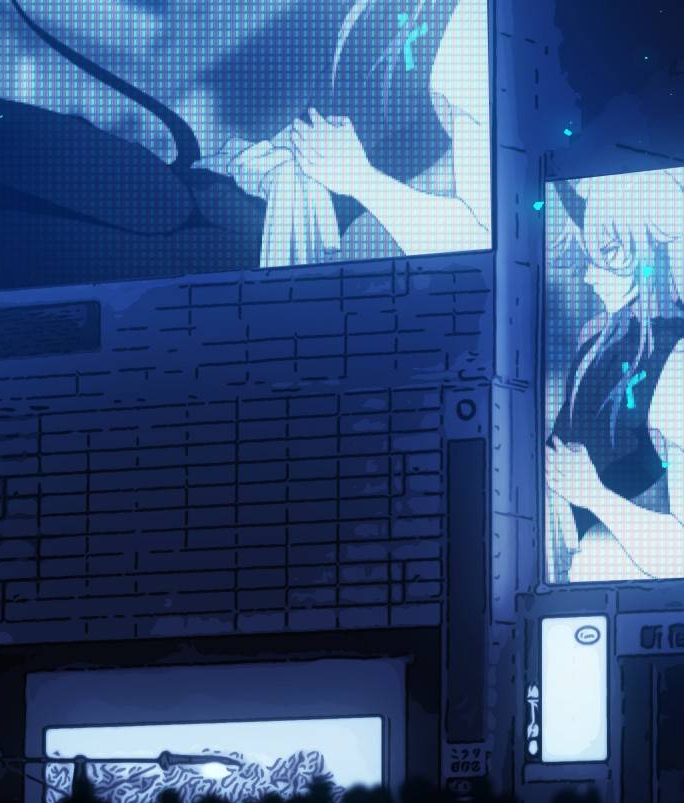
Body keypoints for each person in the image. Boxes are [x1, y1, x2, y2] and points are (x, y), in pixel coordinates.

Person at [199, 0, 491, 267]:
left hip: (387, 258)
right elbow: (322, 119)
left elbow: (479, 238)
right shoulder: (363, 13)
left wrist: (361, 180)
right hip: (312, 212)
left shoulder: (471, 29)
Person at [545, 168, 684, 582]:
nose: (589, 274)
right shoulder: (599, 341)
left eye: (606, 252)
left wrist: (596, 497)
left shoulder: (673, 362)